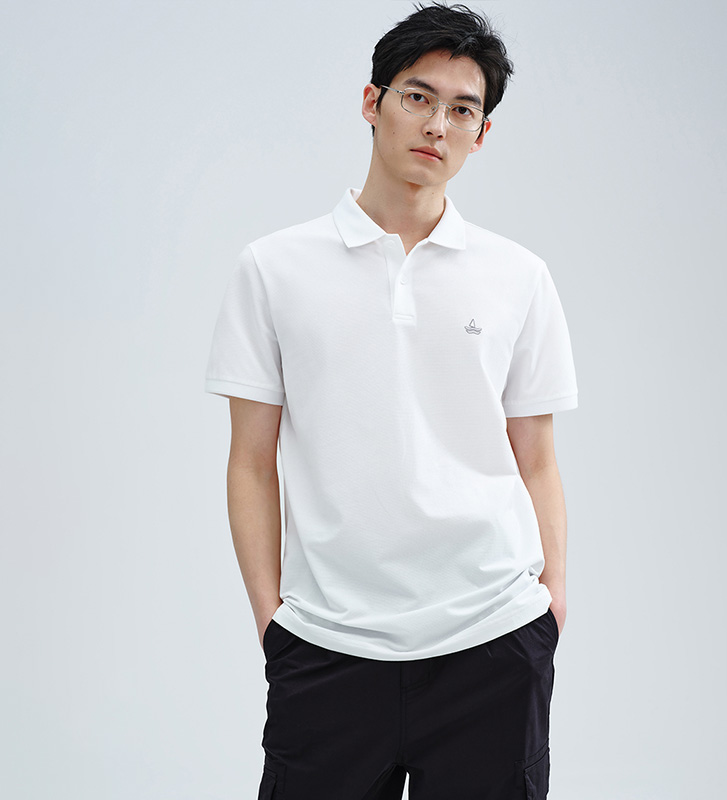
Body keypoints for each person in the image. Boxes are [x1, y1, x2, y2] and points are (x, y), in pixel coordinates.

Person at [204, 3, 578, 798]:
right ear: (372, 102)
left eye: (463, 109)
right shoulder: (274, 268)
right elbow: (250, 461)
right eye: (418, 96)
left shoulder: (518, 277)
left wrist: (549, 609)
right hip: (327, 648)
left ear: (482, 133)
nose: (438, 124)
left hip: (492, 640)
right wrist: (275, 624)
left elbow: (538, 458)